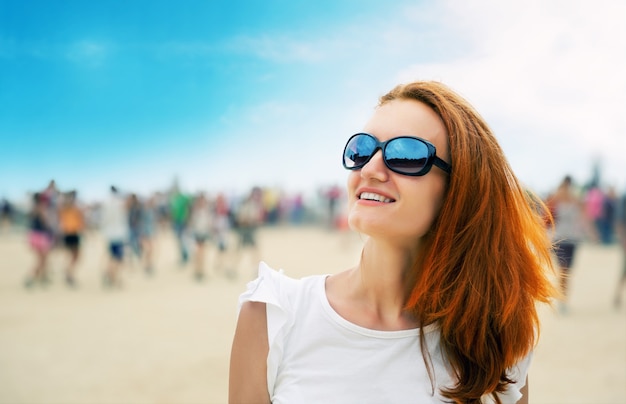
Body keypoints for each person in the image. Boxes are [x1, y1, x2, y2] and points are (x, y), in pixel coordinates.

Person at [229, 81, 558, 403]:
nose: (370, 168)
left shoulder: (492, 340)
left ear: (458, 190)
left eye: (406, 155)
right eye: (362, 149)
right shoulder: (274, 316)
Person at [546, 175, 587, 313]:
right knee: (563, 269)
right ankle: (562, 299)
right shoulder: (555, 198)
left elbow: (582, 215)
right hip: (559, 238)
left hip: (572, 238)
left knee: (567, 271)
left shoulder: (574, 198)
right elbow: (546, 217)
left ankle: (563, 298)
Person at [24, 193, 54, 288]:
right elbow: (46, 222)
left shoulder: (33, 208)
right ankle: (31, 277)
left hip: (34, 236)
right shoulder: (41, 208)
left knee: (42, 259)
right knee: (42, 260)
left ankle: (42, 277)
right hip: (41, 236)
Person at [57, 190, 85, 287]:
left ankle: (68, 272)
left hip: (68, 233)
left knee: (70, 255)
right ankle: (69, 273)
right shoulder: (74, 207)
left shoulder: (64, 207)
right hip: (72, 233)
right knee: (75, 256)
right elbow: (81, 220)